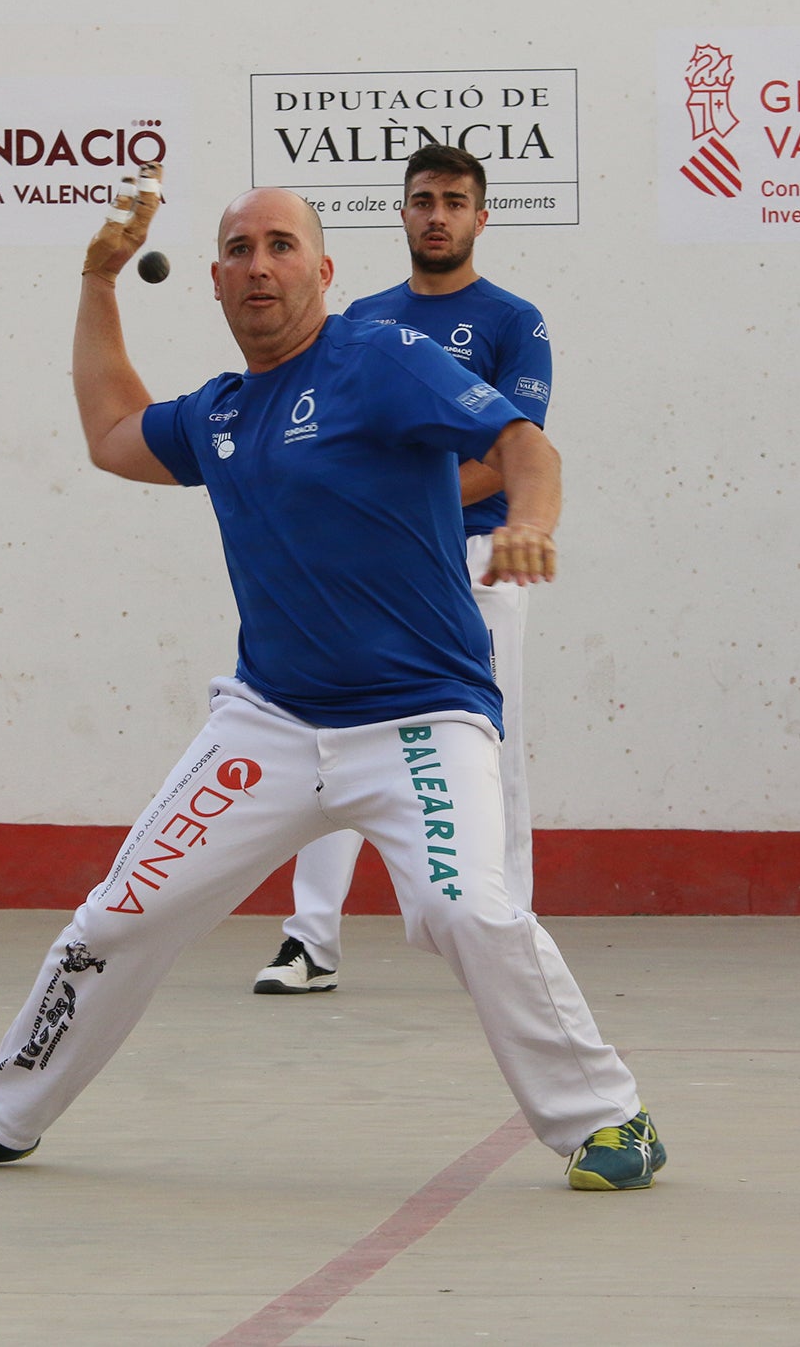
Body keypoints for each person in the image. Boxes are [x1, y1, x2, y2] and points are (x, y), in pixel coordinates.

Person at [0, 164, 662, 1191]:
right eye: (238, 249)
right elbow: (112, 437)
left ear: (323, 270)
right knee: (117, 916)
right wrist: (97, 283)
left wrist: (530, 523)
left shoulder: (381, 358)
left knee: (470, 912)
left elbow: (519, 441)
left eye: (281, 245)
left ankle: (610, 1118)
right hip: (269, 726)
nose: (258, 265)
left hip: (421, 717)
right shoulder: (223, 414)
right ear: (214, 281)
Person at [254, 144, 552, 996]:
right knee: (332, 733)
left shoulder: (512, 321)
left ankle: (506, 930)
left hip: (479, 563)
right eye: (422, 199)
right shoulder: (358, 323)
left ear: (480, 217)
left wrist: (403, 511)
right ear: (403, 211)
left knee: (495, 743)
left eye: (455, 202)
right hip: (368, 567)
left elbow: (510, 451)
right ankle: (308, 939)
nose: (437, 215)